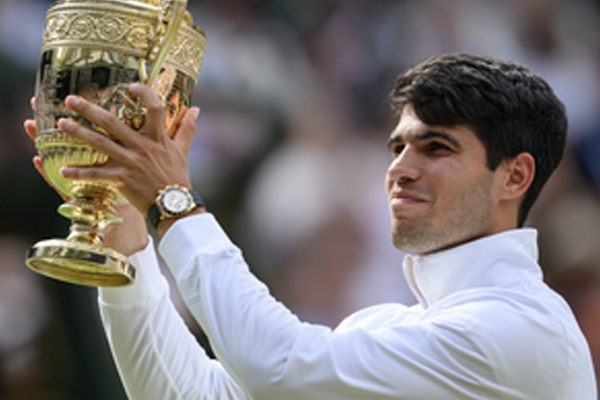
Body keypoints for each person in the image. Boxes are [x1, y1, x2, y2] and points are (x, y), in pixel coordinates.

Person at [25, 53, 597, 399]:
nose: (400, 168)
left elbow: (281, 368)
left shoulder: (523, 329)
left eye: (437, 148)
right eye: (397, 147)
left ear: (515, 176)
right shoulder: (388, 326)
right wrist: (128, 231)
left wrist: (173, 203)